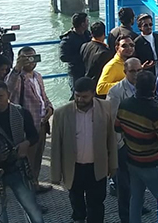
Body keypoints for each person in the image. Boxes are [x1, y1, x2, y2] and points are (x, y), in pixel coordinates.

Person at [0, 80, 44, 223]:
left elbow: (34, 135)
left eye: (0, 96)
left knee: (32, 207)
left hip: (17, 167)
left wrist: (25, 144)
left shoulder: (21, 112)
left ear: (8, 95)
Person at [51, 77, 118, 223]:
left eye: (84, 96)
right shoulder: (61, 113)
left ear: (93, 94)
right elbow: (56, 146)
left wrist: (113, 165)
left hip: (97, 167)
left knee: (96, 204)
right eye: (77, 96)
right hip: (74, 168)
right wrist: (55, 174)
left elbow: (111, 138)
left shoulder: (106, 108)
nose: (80, 100)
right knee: (76, 202)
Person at [114, 71, 158, 223]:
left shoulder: (124, 105)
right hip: (152, 163)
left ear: (136, 86)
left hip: (132, 160)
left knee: (136, 198)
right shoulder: (155, 111)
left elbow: (117, 128)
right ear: (154, 88)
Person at [6, 46, 54, 198]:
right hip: (26, 127)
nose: (30, 61)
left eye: (32, 57)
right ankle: (29, 194)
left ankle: (35, 184)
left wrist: (50, 109)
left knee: (37, 158)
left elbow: (43, 97)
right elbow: (8, 89)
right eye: (26, 58)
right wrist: (17, 68)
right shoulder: (18, 77)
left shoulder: (38, 76)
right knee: (27, 162)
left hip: (41, 124)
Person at [106, 57, 142, 223]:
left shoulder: (144, 87)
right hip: (125, 144)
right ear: (125, 72)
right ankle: (125, 216)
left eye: (139, 70)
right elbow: (112, 121)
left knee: (138, 181)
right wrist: (120, 145)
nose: (136, 74)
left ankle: (137, 206)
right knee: (124, 183)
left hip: (140, 143)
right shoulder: (115, 92)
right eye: (132, 71)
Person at [59, 12, 91, 92]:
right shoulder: (68, 39)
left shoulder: (87, 34)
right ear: (82, 24)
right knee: (76, 92)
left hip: (87, 69)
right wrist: (80, 57)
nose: (88, 23)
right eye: (87, 21)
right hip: (75, 71)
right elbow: (62, 56)